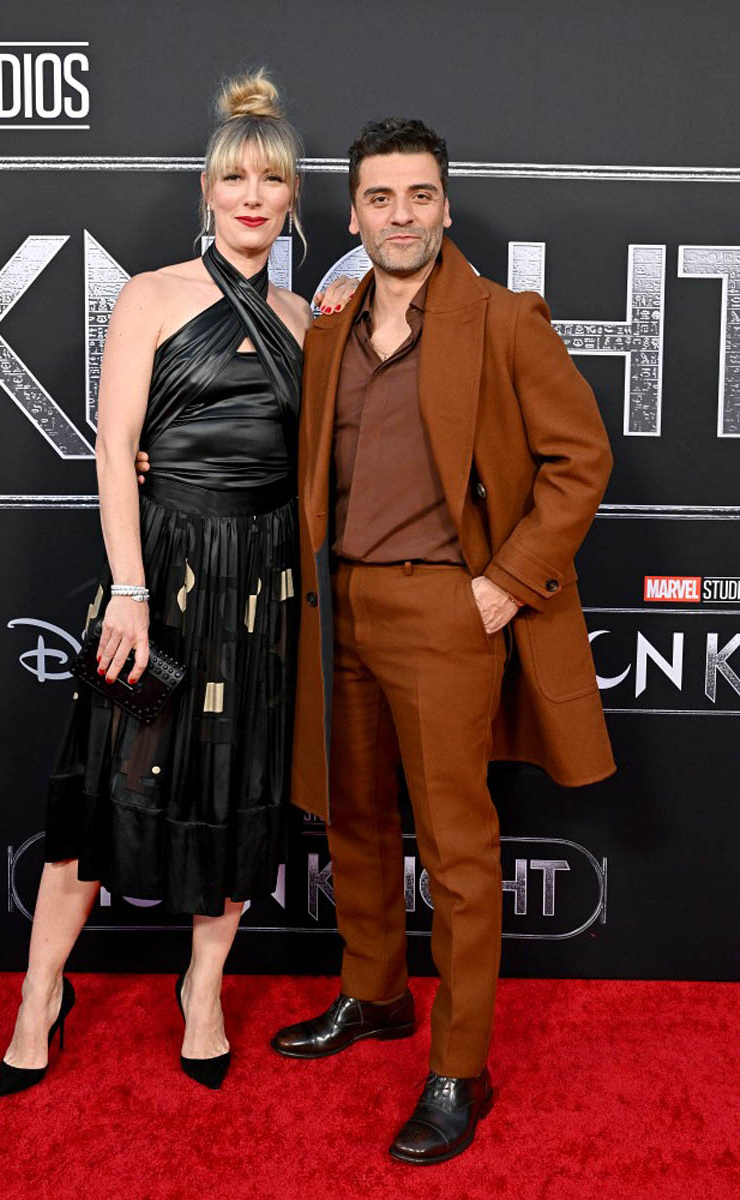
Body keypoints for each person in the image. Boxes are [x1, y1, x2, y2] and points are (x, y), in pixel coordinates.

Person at [0, 69, 353, 1098]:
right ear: (207, 189)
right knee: (108, 784)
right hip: (161, 579)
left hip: (261, 588)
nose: (252, 196)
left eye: (271, 180)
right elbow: (115, 451)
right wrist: (130, 591)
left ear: (292, 197)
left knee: (239, 792)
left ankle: (203, 993)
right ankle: (39, 996)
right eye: (235, 177)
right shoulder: (150, 295)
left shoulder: (305, 319)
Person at [269, 118, 616, 1165]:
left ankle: (460, 1066)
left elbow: (580, 459)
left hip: (445, 614)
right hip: (339, 609)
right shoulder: (330, 329)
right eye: (380, 198)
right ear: (353, 215)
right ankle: (373, 992)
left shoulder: (503, 319)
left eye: (419, 195)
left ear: (446, 206)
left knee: (457, 850)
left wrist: (503, 585)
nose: (401, 215)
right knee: (353, 819)